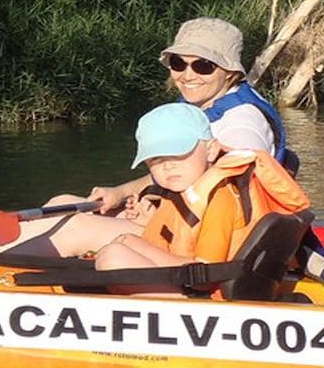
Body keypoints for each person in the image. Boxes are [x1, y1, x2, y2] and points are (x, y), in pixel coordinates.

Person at [0, 103, 310, 278]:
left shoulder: (227, 163)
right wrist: (145, 215)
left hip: (198, 279)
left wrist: (130, 242)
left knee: (99, 244)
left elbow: (205, 267)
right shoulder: (191, 176)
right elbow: (174, 225)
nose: (165, 167)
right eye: (156, 160)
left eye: (176, 156)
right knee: (72, 211)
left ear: (211, 149)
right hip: (181, 252)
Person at [70, 17, 297, 218]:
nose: (188, 75)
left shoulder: (241, 124)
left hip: (213, 233)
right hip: (184, 217)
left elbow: (231, 196)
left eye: (203, 66)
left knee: (74, 229)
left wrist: (153, 214)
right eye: (178, 63)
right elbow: (173, 172)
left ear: (230, 72)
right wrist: (121, 193)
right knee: (64, 202)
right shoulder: (197, 104)